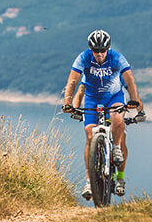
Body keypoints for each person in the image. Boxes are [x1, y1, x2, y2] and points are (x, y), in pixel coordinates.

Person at [62, 29, 145, 200]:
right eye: (96, 51)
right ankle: (89, 179)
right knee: (90, 135)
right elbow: (73, 82)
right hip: (93, 99)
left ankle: (115, 151)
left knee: (117, 118)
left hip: (113, 97)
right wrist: (67, 103)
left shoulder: (117, 58)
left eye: (102, 50)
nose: (99, 54)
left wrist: (135, 102)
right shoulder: (83, 58)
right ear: (90, 49)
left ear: (108, 48)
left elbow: (130, 81)